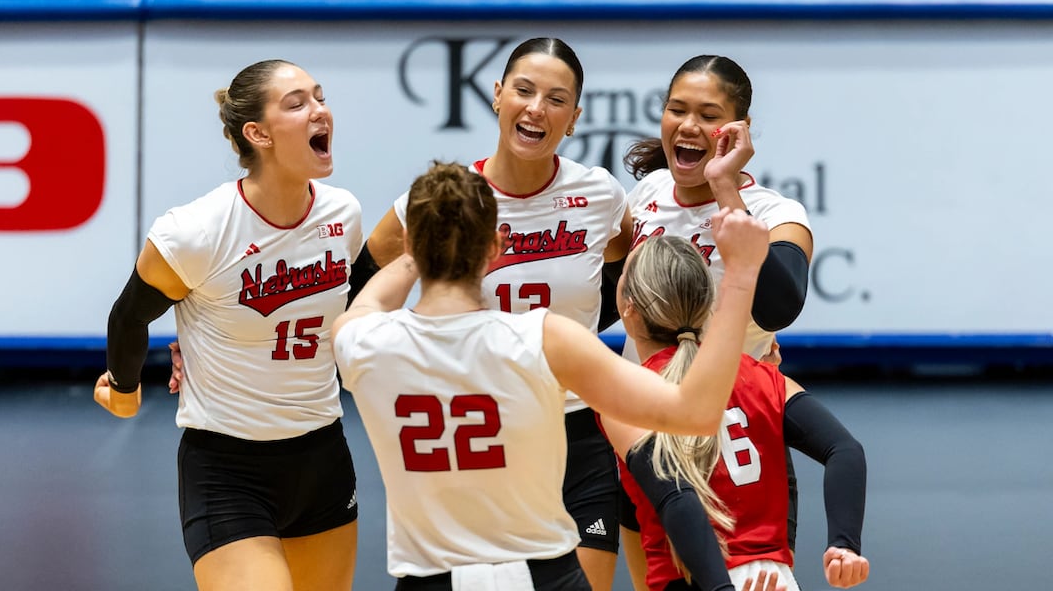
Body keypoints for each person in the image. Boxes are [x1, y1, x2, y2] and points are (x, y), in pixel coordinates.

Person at [332, 159, 770, 590]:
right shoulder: (544, 338)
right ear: (496, 246)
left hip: (429, 579)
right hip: (543, 575)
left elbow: (370, 301)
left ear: (409, 241)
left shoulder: (363, 342)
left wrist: (419, 252)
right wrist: (742, 275)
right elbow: (695, 412)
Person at [360, 37, 634, 590]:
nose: (537, 109)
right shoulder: (452, 199)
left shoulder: (600, 194)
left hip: (578, 433)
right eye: (524, 91)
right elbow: (363, 280)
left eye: (557, 100)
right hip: (483, 431)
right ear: (496, 95)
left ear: (574, 118)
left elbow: (625, 275)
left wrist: (577, 335)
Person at [92, 59, 362, 591]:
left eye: (320, 96)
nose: (320, 110)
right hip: (227, 469)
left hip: (323, 457)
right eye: (297, 103)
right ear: (257, 134)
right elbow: (128, 316)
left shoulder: (343, 215)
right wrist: (124, 389)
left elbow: (354, 308)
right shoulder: (197, 231)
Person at [617, 55, 816, 583]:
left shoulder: (776, 213)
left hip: (735, 435)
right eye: (676, 109)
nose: (688, 125)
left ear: (739, 130)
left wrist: (725, 186)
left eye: (709, 115)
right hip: (646, 424)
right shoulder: (647, 195)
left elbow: (781, 307)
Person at [599, 234, 868, 591]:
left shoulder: (627, 396)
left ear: (628, 308)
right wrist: (844, 545)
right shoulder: (761, 375)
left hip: (696, 580)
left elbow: (676, 497)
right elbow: (845, 450)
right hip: (773, 579)